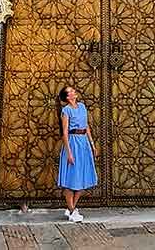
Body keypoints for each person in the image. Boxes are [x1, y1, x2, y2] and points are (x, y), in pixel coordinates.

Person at [57, 85, 97, 222]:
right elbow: (65, 132)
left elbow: (86, 126)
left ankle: (71, 208)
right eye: (71, 91)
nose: (74, 92)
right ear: (68, 97)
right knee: (70, 179)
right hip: (73, 144)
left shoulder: (82, 107)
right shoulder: (66, 111)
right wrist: (69, 153)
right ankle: (73, 211)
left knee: (83, 177)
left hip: (83, 143)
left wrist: (92, 144)